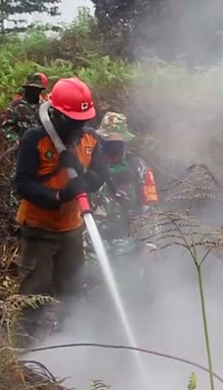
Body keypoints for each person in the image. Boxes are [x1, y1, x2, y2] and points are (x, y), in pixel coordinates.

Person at [13, 77, 110, 330]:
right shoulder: (36, 139)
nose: (79, 127)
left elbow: (100, 176)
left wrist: (82, 177)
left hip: (72, 230)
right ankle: (18, 354)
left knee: (73, 294)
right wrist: (58, 196)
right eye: (73, 122)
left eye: (83, 122)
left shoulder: (91, 141)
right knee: (34, 296)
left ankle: (71, 344)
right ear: (56, 115)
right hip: (39, 229)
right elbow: (22, 183)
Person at [88, 112, 159, 253]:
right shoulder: (88, 164)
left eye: (116, 146)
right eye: (107, 145)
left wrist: (150, 244)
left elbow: (151, 209)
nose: (111, 151)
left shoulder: (137, 167)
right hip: (93, 245)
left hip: (129, 244)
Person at [2, 72, 49, 210]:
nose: (35, 92)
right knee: (17, 183)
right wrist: (15, 139)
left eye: (37, 90)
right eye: (32, 89)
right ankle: (15, 218)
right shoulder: (16, 106)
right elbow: (6, 127)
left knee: (40, 181)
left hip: (41, 152)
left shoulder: (45, 107)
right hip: (21, 153)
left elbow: (50, 127)